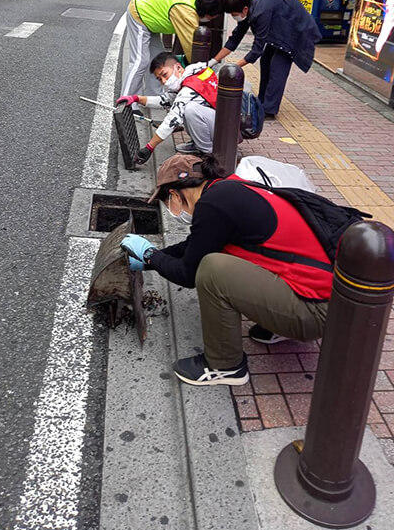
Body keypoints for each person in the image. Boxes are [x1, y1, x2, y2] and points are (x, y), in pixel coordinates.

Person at [120, 154, 331, 386]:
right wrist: (150, 261)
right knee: (218, 258)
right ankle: (278, 325)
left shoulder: (212, 204)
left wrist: (150, 254)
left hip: (316, 312)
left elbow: (188, 274)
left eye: (167, 202)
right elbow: (194, 246)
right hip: (328, 300)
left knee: (213, 269)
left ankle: (225, 365)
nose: (170, 208)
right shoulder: (229, 190)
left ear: (174, 195)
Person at [197, 0, 321, 120]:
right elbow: (235, 39)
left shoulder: (261, 12)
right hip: (280, 30)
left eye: (234, 14)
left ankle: (269, 109)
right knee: (266, 61)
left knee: (277, 67)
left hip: (294, 30)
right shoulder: (248, 9)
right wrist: (213, 61)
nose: (234, 17)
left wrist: (232, 68)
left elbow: (257, 49)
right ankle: (262, 101)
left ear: (245, 9)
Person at [117, 52, 218, 162]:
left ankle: (208, 154)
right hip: (217, 122)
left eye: (164, 74)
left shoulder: (189, 88)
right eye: (160, 79)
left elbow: (172, 119)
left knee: (189, 110)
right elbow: (165, 100)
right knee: (185, 109)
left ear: (178, 67)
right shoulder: (192, 74)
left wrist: (149, 147)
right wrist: (136, 98)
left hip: (224, 131)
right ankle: (198, 144)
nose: (164, 81)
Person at [121, 0, 216, 98]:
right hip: (139, 12)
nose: (210, 20)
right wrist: (202, 72)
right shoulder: (187, 12)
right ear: (206, 13)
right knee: (140, 61)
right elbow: (191, 47)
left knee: (157, 60)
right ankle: (125, 101)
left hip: (150, 14)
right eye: (212, 17)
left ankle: (154, 97)